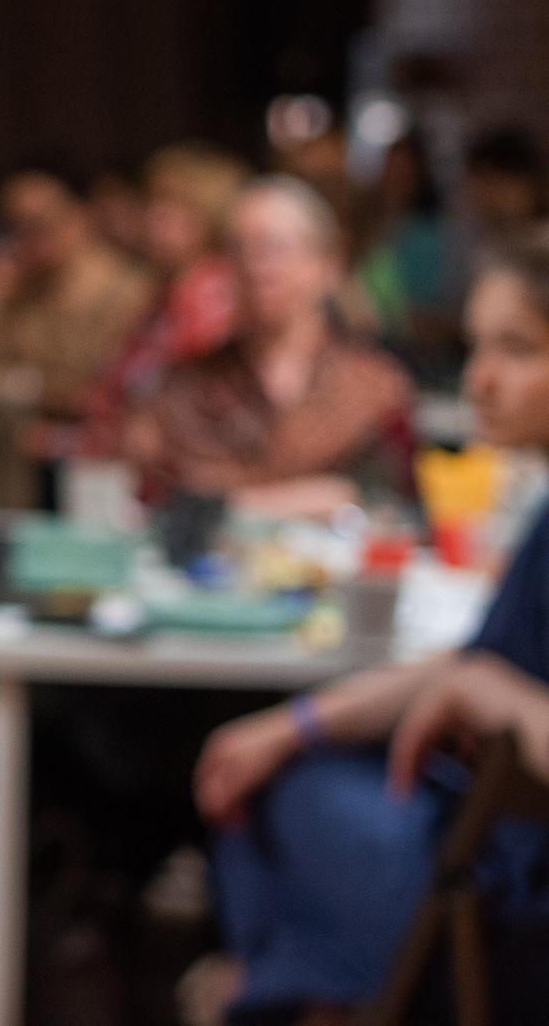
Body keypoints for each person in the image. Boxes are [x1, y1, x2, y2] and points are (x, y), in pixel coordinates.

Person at [192, 227, 549, 1023]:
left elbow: (483, 675)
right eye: (476, 346)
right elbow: (472, 661)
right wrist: (293, 723)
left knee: (282, 798)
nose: (479, 377)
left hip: (518, 902)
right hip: (490, 843)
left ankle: (285, 994)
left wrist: (495, 694)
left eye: (518, 348)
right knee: (276, 764)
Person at [126, 177, 413, 515]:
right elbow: (162, 501)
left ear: (327, 263)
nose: (256, 265)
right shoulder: (186, 388)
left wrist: (228, 505)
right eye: (240, 249)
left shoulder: (375, 388)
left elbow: (390, 505)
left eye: (274, 248)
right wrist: (308, 499)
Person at [0, 159, 154, 501]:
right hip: (14, 467)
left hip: (94, 471)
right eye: (15, 227)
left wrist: (17, 387)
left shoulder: (131, 293)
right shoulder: (15, 288)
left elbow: (100, 395)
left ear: (81, 216)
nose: (28, 239)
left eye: (40, 223)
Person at [75, 141, 245, 462]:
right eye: (154, 203)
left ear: (210, 217)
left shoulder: (215, 296)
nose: (156, 216)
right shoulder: (162, 298)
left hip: (180, 465)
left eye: (175, 207)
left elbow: (190, 399)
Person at [357, 127, 462, 387]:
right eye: (391, 168)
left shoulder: (430, 234)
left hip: (419, 357)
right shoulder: (368, 227)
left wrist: (390, 317)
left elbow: (432, 315)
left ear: (420, 174)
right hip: (370, 351)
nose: (396, 177)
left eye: (405, 170)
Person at [464, 123, 546, 248]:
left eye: (497, 183)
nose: (490, 198)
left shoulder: (542, 241)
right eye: (481, 187)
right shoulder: (490, 248)